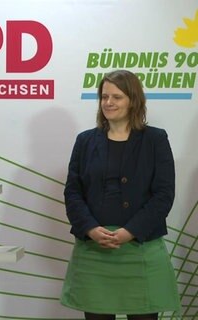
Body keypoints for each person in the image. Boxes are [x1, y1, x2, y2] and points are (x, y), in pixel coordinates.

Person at [60, 69, 180, 319]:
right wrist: (91, 229)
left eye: (117, 97)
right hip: (94, 251)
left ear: (133, 100)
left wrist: (130, 231)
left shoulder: (155, 139)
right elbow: (73, 193)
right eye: (104, 97)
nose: (108, 103)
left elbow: (163, 195)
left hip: (141, 248)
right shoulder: (85, 141)